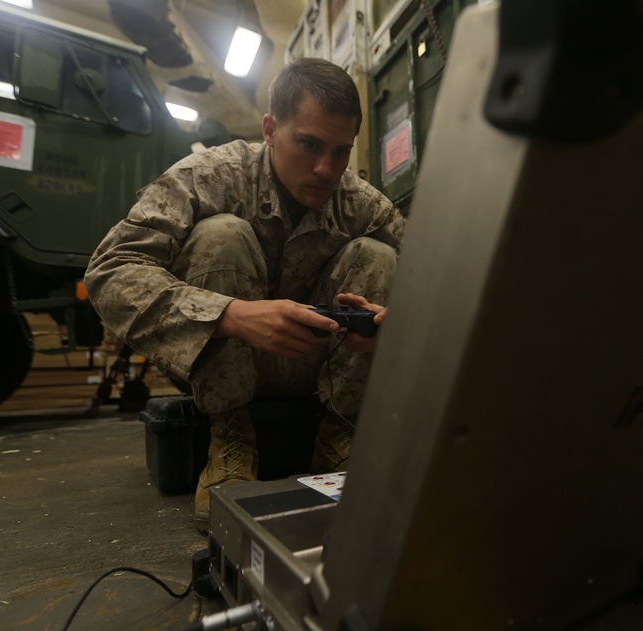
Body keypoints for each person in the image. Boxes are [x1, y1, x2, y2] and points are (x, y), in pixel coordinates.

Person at [84, 58, 406, 521]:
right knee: (222, 234)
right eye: (310, 145)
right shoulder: (211, 176)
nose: (325, 168)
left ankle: (340, 435)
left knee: (379, 256)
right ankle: (230, 437)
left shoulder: (359, 203)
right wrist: (231, 316)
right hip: (220, 366)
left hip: (319, 372)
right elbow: (110, 269)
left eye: (341, 151)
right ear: (271, 128)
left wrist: (395, 326)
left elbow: (436, 284)